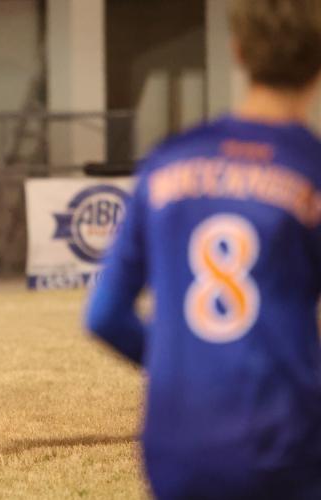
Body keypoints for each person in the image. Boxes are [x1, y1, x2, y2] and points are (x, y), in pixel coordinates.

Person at [85, 0, 321, 498]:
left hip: (176, 437)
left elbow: (104, 315)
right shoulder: (309, 170)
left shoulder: (169, 159)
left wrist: (186, 365)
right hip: (282, 438)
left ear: (238, 51)